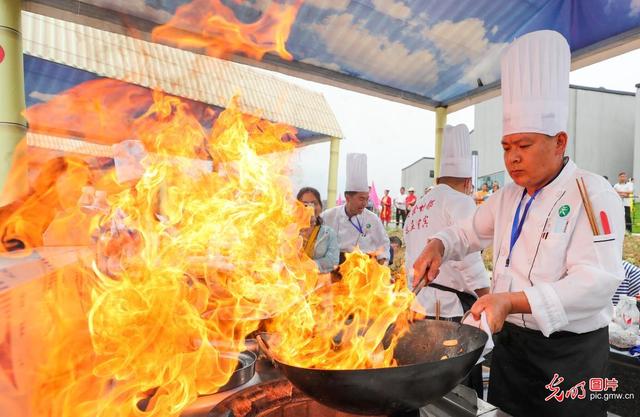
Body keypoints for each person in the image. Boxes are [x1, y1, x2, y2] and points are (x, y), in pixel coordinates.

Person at [412, 30, 624, 417]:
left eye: (524, 146)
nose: (513, 158)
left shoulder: (592, 194)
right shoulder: (508, 195)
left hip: (567, 358)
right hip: (513, 353)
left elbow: (596, 283)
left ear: (559, 142)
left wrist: (510, 301)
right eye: (507, 147)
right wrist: (438, 244)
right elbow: (467, 231)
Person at [404, 124, 489, 398]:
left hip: (419, 310)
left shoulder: (417, 207)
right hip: (449, 315)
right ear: (467, 182)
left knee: (423, 391)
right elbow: (470, 260)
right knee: (456, 394)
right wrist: (488, 298)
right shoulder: (460, 201)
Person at [322, 153, 390, 265]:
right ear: (347, 197)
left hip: (363, 267)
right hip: (336, 266)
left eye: (367, 199)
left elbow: (383, 244)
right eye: (361, 198)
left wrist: (382, 267)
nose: (364, 203)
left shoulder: (372, 219)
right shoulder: (328, 216)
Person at [297, 187, 339, 274]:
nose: (310, 208)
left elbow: (332, 261)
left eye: (314, 203)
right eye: (305, 204)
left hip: (319, 283)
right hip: (291, 283)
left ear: (320, 206)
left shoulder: (328, 234)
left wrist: (309, 265)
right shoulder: (289, 231)